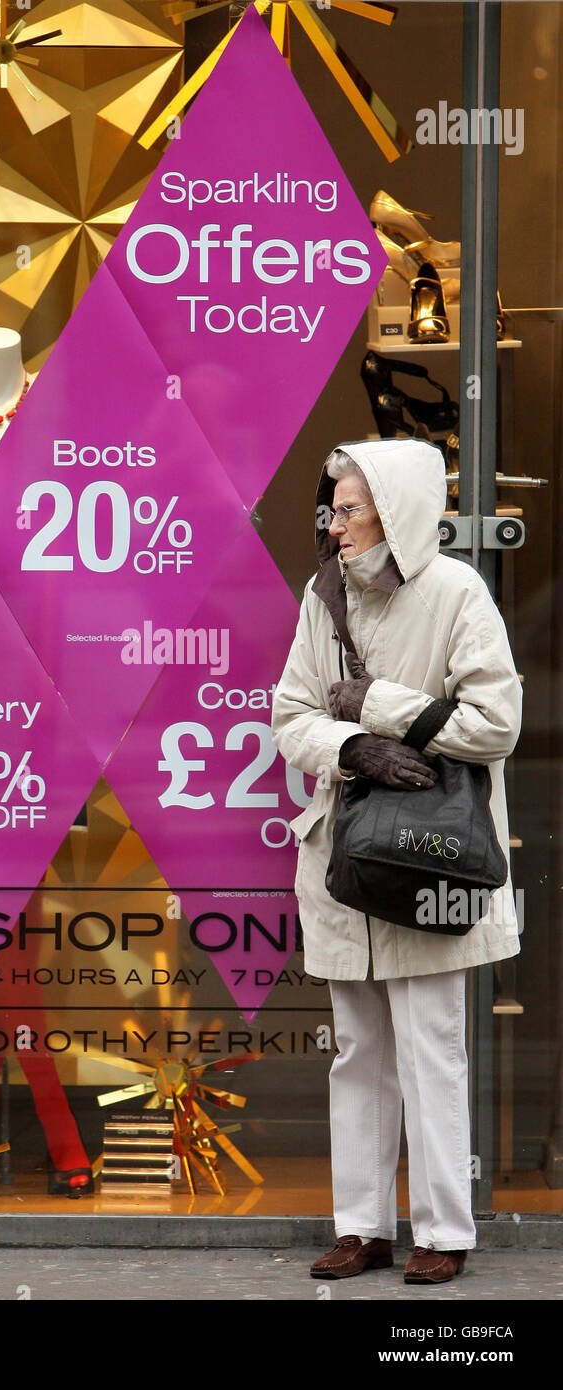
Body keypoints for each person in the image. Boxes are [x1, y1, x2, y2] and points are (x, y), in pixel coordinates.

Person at [271, 437, 522, 1285]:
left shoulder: (457, 592)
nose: (334, 525)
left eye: (348, 508)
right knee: (358, 1049)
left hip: (431, 857)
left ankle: (444, 1231)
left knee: (431, 1045)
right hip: (347, 855)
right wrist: (355, 748)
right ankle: (362, 1227)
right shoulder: (323, 597)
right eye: (329, 510)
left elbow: (497, 723)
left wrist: (382, 708)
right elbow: (292, 717)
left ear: (395, 507)